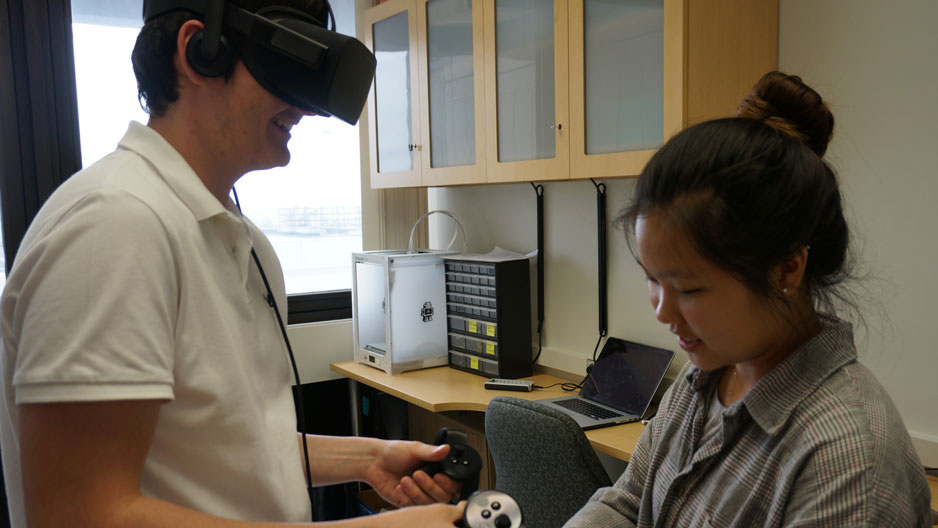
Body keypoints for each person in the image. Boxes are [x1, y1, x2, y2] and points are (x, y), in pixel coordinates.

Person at [0, 1, 465, 527]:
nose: (305, 109)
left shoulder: (237, 241)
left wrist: (368, 459)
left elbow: (230, 443)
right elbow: (77, 513)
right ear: (200, 51)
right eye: (287, 71)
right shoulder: (115, 226)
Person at [563, 71, 932, 527]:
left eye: (690, 289)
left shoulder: (847, 462)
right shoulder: (705, 379)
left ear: (786, 269)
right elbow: (628, 500)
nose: (661, 311)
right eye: (653, 280)